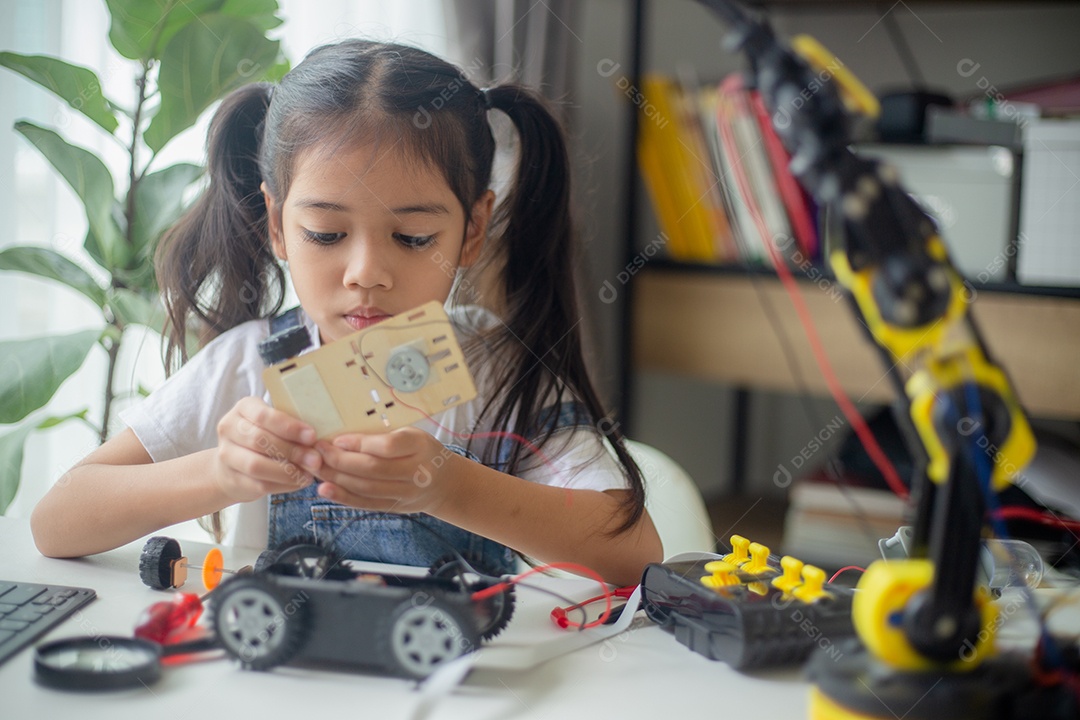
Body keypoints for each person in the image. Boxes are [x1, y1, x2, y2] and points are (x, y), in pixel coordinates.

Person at [30, 39, 662, 587]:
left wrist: (448, 485)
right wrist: (219, 472)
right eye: (327, 235)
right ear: (277, 226)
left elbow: (635, 555)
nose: (365, 273)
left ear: (472, 231)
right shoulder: (245, 367)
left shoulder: (496, 368)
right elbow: (56, 521)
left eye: (413, 239)